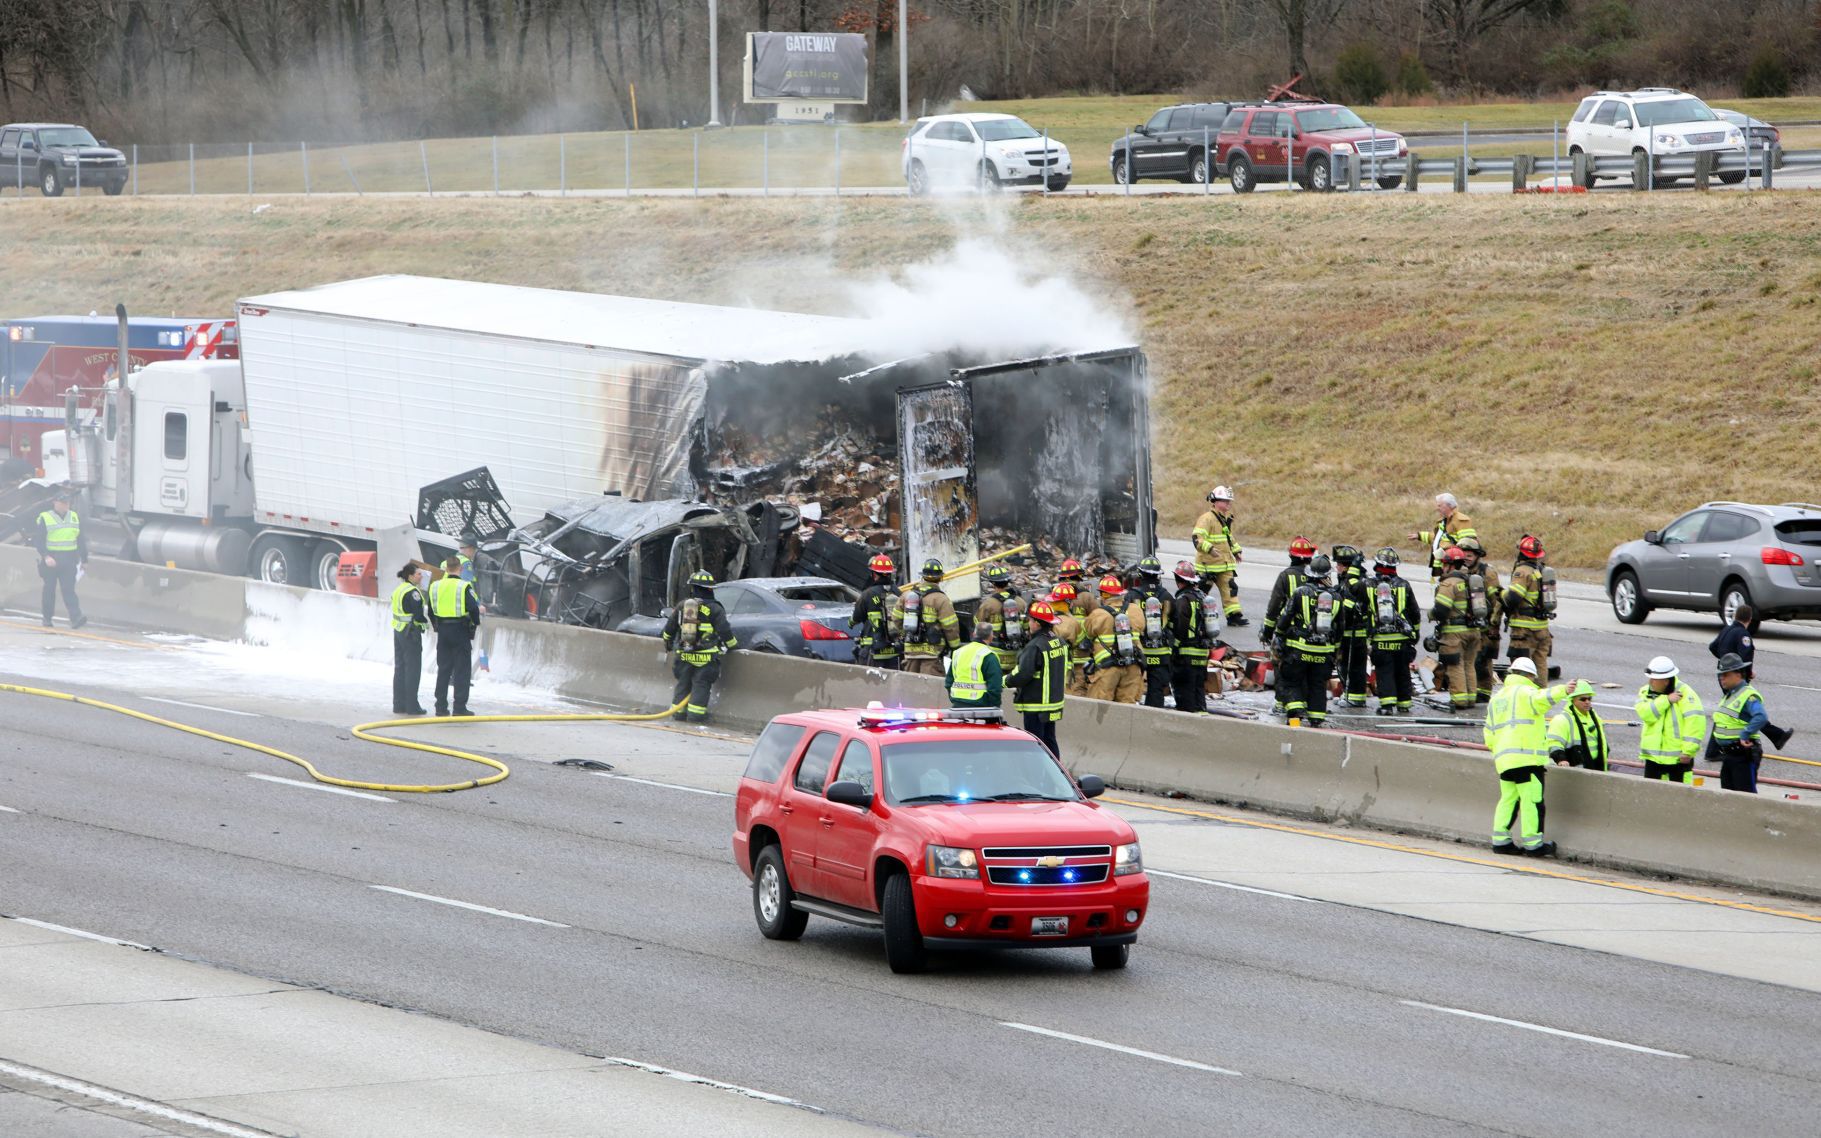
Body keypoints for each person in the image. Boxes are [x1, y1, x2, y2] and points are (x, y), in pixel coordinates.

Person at [1484, 657, 1573, 856]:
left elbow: (1488, 733)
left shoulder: (1497, 698)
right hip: (1527, 759)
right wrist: (1564, 690)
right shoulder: (1526, 692)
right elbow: (1543, 698)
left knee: (1508, 800)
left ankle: (1500, 842)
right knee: (1532, 801)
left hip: (1505, 761)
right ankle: (1534, 845)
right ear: (1529, 675)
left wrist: (1501, 752)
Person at [1276, 554, 1350, 728]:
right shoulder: (1337, 598)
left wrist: (1279, 635)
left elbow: (1285, 617)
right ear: (1326, 575)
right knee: (1317, 685)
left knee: (1292, 683)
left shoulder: (1300, 592)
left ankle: (1294, 721)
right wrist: (1336, 651)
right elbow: (1340, 628)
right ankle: (1316, 721)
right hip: (1323, 654)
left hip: (1299, 651)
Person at [1708, 653, 1790, 794]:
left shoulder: (1747, 695)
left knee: (1746, 797)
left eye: (1726, 674)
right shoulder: (1731, 693)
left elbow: (1761, 716)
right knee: (1728, 796)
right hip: (1730, 755)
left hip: (1742, 755)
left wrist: (1745, 734)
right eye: (1721, 675)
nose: (1722, 678)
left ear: (1738, 674)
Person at [662, 569, 736, 724]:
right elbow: (724, 630)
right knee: (700, 685)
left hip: (684, 655)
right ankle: (695, 716)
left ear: (693, 587)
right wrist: (733, 645)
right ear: (710, 589)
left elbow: (669, 629)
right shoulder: (715, 609)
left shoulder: (683, 606)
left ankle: (678, 714)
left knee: (683, 684)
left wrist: (668, 642)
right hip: (706, 657)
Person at [1262, 537, 1317, 713]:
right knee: (1308, 670)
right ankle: (1306, 703)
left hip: (1287, 632)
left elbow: (1274, 606)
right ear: (1309, 557)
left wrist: (1268, 630)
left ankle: (1281, 703)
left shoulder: (1285, 576)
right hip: (1314, 633)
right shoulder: (1318, 576)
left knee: (1282, 668)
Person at [1008, 599, 1068, 757]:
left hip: (1036, 705)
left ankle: (1038, 777)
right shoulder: (1058, 642)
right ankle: (1056, 774)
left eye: (1030, 620)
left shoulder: (1035, 646)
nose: (1029, 623)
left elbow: (1023, 674)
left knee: (1035, 744)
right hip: (1053, 704)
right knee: (1050, 741)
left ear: (1037, 623)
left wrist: (1005, 681)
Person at [1429, 545, 1485, 712]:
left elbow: (1441, 610)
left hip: (1455, 633)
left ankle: (1459, 700)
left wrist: (1430, 614)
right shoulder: (1471, 579)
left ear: (1450, 565)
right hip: (1474, 631)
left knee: (1455, 665)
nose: (1443, 567)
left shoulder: (1449, 583)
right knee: (1469, 664)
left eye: (1444, 564)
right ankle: (1470, 698)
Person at [1366, 547, 1421, 716]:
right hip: (1402, 639)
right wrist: (1415, 634)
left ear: (1376, 564)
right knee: (1402, 671)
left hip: (1381, 639)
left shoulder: (1369, 585)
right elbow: (1415, 613)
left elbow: (1362, 610)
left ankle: (1387, 706)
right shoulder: (1404, 585)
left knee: (1384, 672)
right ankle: (1404, 704)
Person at [1636, 656, 1706, 784]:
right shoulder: (1645, 691)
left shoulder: (1687, 694)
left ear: (1666, 681)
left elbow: (1695, 724)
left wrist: (1688, 751)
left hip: (1678, 760)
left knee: (1680, 799)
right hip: (1653, 759)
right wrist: (1666, 700)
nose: (1650, 682)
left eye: (1654, 679)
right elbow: (1645, 713)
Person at [427, 555, 481, 717]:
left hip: (443, 631)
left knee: (443, 669)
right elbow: (474, 609)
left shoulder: (435, 586)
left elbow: (430, 610)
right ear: (460, 569)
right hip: (460, 630)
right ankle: (459, 707)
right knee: (462, 671)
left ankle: (440, 707)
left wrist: (437, 626)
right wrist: (473, 625)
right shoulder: (464, 586)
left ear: (445, 568)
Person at [33, 485, 88, 629]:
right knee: (49, 590)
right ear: (55, 502)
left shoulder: (74, 516)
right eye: (63, 502)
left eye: (68, 502)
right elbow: (38, 540)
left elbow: (80, 539)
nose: (66, 505)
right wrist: (45, 556)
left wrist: (85, 559)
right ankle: (47, 618)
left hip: (69, 559)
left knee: (69, 589)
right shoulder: (46, 518)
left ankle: (76, 618)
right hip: (51, 559)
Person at [1192, 485, 1247, 626]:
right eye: (1225, 500)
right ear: (1215, 501)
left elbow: (1229, 538)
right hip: (1208, 566)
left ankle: (1234, 616)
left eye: (1229, 501)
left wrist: (1237, 551)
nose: (1228, 503)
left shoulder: (1223, 519)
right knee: (1200, 593)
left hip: (1224, 564)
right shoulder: (1207, 519)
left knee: (1230, 589)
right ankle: (1195, 616)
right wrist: (1209, 549)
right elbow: (1197, 538)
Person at [1086, 574, 1144, 704]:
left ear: (1104, 595)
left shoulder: (1098, 614)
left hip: (1108, 668)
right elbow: (1142, 629)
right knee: (1127, 707)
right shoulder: (1136, 610)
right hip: (1133, 665)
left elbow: (1088, 633)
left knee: (1100, 707)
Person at [1503, 534, 1554, 680]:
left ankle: (1523, 698)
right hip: (1542, 628)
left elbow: (1513, 598)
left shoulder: (1523, 571)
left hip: (1524, 630)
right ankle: (1540, 698)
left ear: (1521, 552)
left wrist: (1501, 595)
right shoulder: (1541, 570)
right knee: (1540, 665)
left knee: (1521, 668)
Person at [1458, 537, 1502, 703]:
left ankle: (1483, 692)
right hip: (1466, 624)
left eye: (1469, 555)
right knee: (1469, 659)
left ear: (1477, 555)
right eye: (1463, 555)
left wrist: (1493, 623)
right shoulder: (1460, 571)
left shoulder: (1487, 572)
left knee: (1483, 659)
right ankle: (1471, 689)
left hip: (1486, 624)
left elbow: (1497, 599)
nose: (1466, 558)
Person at [900, 559, 961, 677]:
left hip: (910, 651)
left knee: (909, 687)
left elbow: (896, 619)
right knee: (930, 689)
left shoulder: (906, 596)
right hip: (932, 654)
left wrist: (905, 635)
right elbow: (951, 627)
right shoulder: (942, 599)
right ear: (940, 578)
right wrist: (955, 647)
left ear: (923, 576)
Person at [1130, 556, 1175, 709]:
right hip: (1161, 653)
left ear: (1141, 574)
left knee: (1132, 690)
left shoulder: (1133, 595)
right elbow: (1175, 624)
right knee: (1156, 691)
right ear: (1158, 575)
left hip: (1139, 652)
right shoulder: (1167, 597)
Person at [1331, 545, 1371, 709]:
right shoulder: (1349, 580)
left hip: (1354, 632)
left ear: (1346, 566)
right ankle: (1349, 694)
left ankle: (1354, 698)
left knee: (1353, 667)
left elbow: (1347, 608)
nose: (1336, 568)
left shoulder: (1352, 582)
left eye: (1339, 564)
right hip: (1350, 632)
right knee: (1348, 666)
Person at [1168, 561, 1210, 713]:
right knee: (1199, 691)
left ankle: (1189, 722)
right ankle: (1202, 717)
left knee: (1185, 694)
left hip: (1186, 655)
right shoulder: (1203, 597)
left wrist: (1174, 648)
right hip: (1201, 653)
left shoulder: (1183, 600)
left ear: (1179, 580)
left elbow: (1180, 626)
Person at [389, 562, 429, 716]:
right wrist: (424, 624)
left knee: (400, 668)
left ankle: (398, 704)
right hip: (410, 633)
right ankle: (412, 706)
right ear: (411, 576)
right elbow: (418, 615)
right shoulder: (414, 592)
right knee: (412, 669)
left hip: (398, 631)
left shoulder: (399, 589)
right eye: (419, 574)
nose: (421, 576)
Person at [851, 554, 903, 670]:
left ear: (874, 574)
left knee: (870, 685)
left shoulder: (867, 594)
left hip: (873, 650)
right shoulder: (898, 593)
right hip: (894, 651)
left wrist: (850, 622)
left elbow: (856, 618)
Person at [1412, 492, 1477, 580]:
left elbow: (1468, 544)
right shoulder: (1443, 521)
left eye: (1439, 506)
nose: (1437, 508)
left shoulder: (1461, 520)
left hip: (1453, 566)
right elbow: (1437, 539)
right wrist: (1419, 536)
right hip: (1442, 565)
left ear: (1449, 506)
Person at [1547, 680, 1609, 770]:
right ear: (1572, 700)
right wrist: (1561, 759)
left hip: (1597, 768)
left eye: (1589, 698)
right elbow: (1553, 743)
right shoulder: (1562, 719)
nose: (1587, 702)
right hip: (1577, 774)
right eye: (1583, 699)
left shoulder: (1594, 717)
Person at [974, 564, 1022, 678]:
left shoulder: (987, 604)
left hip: (994, 655)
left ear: (993, 583)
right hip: (1015, 654)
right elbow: (1027, 628)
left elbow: (978, 626)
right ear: (1007, 582)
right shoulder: (1020, 602)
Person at [946, 623, 1004, 709]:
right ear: (991, 637)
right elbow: (995, 687)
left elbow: (949, 681)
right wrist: (995, 707)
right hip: (980, 704)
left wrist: (954, 698)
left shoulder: (958, 652)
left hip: (957, 703)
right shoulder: (989, 656)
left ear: (973, 634)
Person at [1049, 581, 1086, 696]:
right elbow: (1078, 642)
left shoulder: (1046, 618)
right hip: (1064, 665)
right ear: (1068, 602)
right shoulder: (1073, 622)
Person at [1066, 579, 1101, 697]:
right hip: (1083, 650)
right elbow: (1097, 618)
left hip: (1066, 653)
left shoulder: (1058, 597)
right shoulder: (1088, 597)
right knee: (1080, 683)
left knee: (1068, 683)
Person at [1709, 604, 1755, 680]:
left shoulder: (1726, 629)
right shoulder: (1744, 634)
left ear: (1735, 616)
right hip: (1734, 675)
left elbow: (1712, 647)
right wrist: (1748, 674)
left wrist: (1725, 659)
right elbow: (1746, 656)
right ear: (1750, 619)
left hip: (1722, 671)